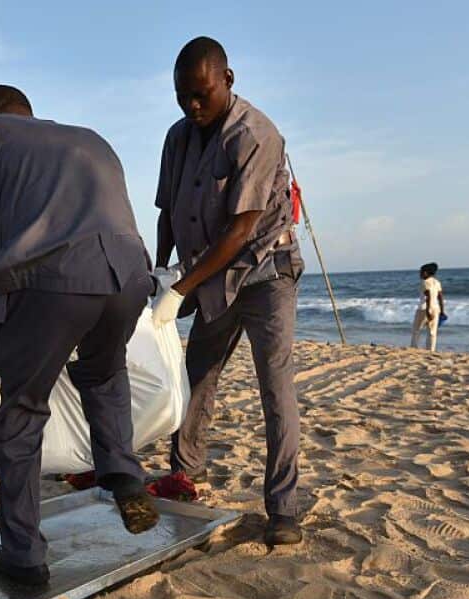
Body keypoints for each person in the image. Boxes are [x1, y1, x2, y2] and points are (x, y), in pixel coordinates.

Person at [0, 84, 160, 587]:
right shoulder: (87, 138)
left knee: (19, 417)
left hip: (53, 279)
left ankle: (23, 558)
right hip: (131, 273)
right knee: (104, 371)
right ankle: (123, 472)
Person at [149, 37, 305, 546]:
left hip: (267, 272)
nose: (192, 106)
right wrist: (161, 274)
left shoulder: (256, 134)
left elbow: (240, 230)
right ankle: (182, 477)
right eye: (182, 97)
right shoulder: (178, 138)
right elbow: (168, 212)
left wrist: (182, 291)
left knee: (275, 389)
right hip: (211, 276)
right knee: (196, 378)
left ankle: (283, 509)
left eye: (201, 94)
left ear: (227, 80)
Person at [410, 262, 445, 351]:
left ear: (426, 272)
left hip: (424, 308)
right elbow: (440, 297)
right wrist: (442, 310)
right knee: (432, 332)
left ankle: (414, 348)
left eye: (421, 272)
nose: (420, 274)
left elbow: (428, 296)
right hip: (435, 308)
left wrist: (427, 311)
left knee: (416, 330)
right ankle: (431, 349)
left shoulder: (424, 282)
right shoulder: (437, 282)